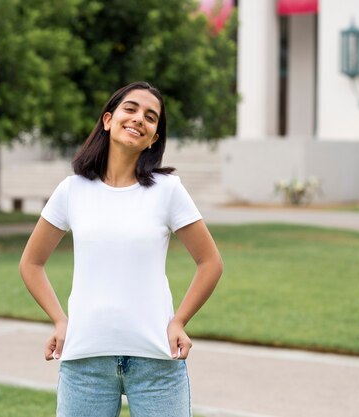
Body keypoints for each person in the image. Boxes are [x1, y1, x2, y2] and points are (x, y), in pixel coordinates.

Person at [19, 81, 223, 417]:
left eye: (150, 116)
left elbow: (210, 262)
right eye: (131, 109)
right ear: (108, 119)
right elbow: (31, 262)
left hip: (156, 362)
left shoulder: (168, 190)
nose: (139, 118)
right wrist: (59, 320)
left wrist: (179, 321)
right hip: (85, 363)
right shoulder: (73, 190)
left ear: (154, 138)